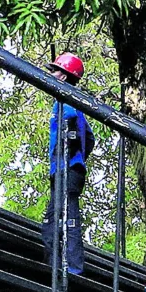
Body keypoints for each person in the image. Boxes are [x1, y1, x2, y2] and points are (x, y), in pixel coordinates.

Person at [44, 53, 93, 278]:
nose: (51, 75)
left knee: (66, 216)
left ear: (63, 76)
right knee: (54, 217)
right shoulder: (71, 101)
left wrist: (70, 154)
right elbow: (90, 138)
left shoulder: (66, 100)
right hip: (69, 168)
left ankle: (71, 269)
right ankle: (55, 265)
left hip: (67, 168)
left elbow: (73, 127)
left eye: (55, 71)